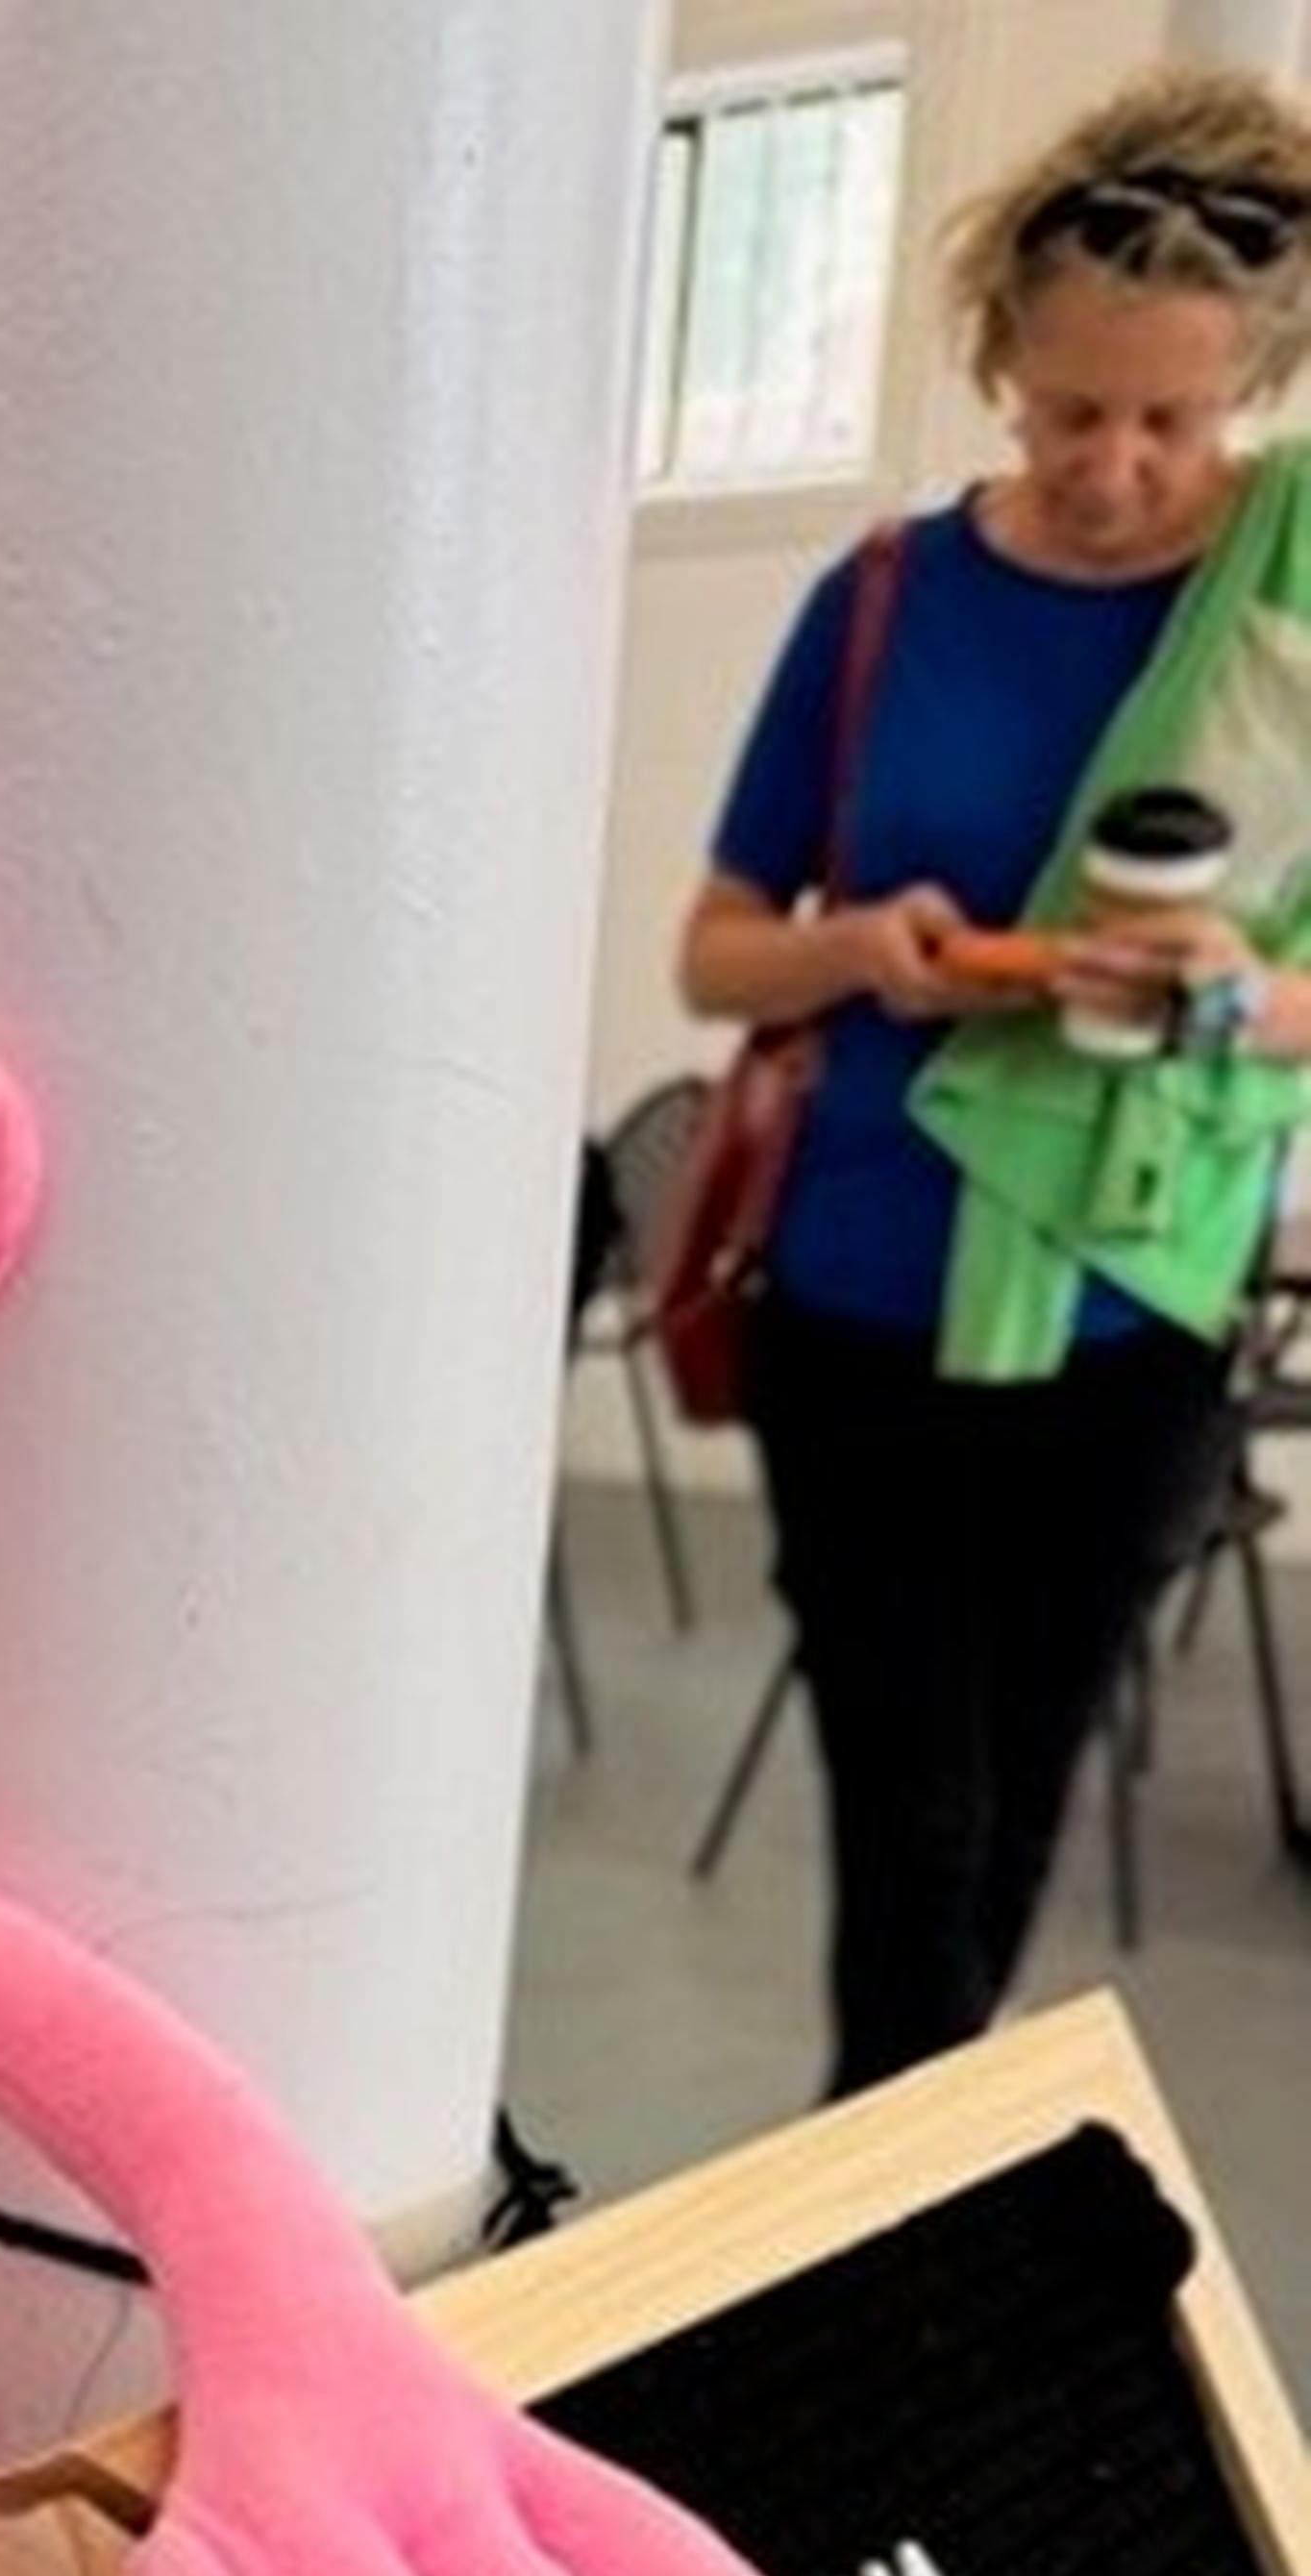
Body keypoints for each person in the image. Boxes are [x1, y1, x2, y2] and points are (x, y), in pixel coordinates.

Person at [680, 64, 1311, 2094]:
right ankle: (893, 2196)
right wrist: (860, 953)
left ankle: (901, 2188)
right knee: (912, 1823)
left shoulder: (1284, 625)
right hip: (859, 1295)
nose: (1118, 466)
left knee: (1014, 1804)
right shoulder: (881, 601)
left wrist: (1239, 991)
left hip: (1132, 1305)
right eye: (1069, 414)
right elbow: (715, 946)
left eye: (1175, 420)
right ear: (998, 367)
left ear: (1255, 387)